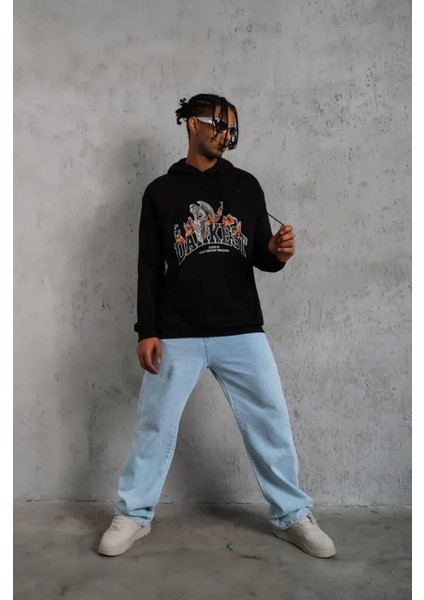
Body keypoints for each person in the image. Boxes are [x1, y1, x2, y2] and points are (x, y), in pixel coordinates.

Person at [98, 93, 336, 559]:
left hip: (241, 328)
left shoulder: (246, 185)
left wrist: (278, 253)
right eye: (219, 125)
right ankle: (134, 514)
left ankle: (292, 515)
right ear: (192, 123)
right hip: (176, 331)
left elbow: (259, 255)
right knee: (154, 425)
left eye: (232, 128)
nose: (227, 135)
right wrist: (146, 330)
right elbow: (148, 265)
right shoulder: (160, 192)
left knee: (270, 420)